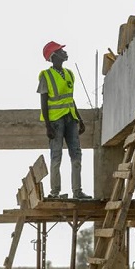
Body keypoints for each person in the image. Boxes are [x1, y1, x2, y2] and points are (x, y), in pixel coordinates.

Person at [37, 41, 91, 200]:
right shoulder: (46, 76)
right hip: (55, 121)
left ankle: (77, 191)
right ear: (53, 57)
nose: (64, 53)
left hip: (70, 119)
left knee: (76, 156)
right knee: (56, 156)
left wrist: (79, 119)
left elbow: (70, 99)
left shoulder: (69, 74)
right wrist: (47, 126)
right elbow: (44, 102)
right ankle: (55, 192)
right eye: (60, 51)